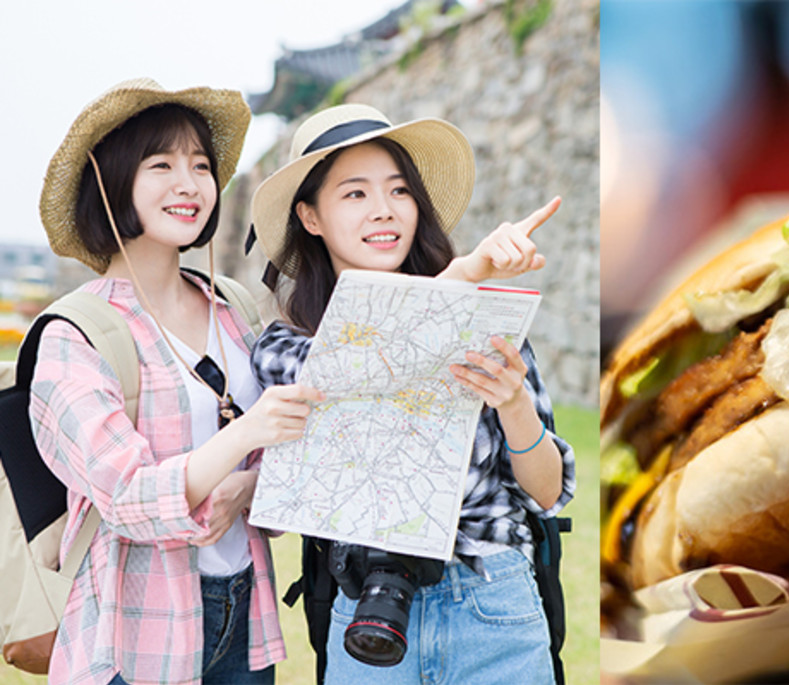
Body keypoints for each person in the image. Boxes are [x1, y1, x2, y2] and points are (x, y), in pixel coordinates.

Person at [247, 103, 575, 683]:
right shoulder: (285, 347)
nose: (384, 211)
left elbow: (547, 492)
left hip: (493, 603)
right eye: (355, 194)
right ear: (310, 216)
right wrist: (464, 274)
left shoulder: (483, 321)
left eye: (399, 191)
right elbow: (346, 372)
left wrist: (514, 405)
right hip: (367, 610)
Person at [31, 78, 323, 685]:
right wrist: (244, 439)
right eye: (161, 164)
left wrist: (246, 487)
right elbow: (126, 497)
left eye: (199, 165)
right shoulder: (75, 333)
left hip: (244, 618)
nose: (189, 184)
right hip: (133, 635)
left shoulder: (234, 307)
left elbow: (294, 456)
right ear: (114, 182)